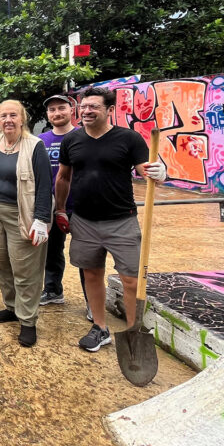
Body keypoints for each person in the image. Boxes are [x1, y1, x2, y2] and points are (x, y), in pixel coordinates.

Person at [55, 87, 166, 352]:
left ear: (110, 110)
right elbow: (63, 177)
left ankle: (132, 331)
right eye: (83, 107)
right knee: (92, 274)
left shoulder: (128, 139)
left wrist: (160, 173)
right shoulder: (72, 140)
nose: (87, 111)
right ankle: (100, 327)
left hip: (121, 221)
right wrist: (60, 209)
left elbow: (147, 172)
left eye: (93, 106)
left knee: (131, 280)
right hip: (83, 221)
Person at [0, 100, 52, 348]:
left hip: (22, 213)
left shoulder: (35, 146)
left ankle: (28, 321)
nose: (8, 120)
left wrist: (42, 220)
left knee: (25, 269)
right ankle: (12, 307)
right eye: (3, 116)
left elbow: (44, 186)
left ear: (22, 119)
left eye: (13, 115)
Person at [38, 95, 88, 316]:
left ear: (72, 110)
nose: (56, 113)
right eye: (51, 110)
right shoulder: (40, 140)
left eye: (61, 108)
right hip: (49, 205)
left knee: (87, 256)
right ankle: (53, 290)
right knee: (52, 251)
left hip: (80, 205)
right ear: (47, 115)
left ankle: (91, 301)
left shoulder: (84, 136)